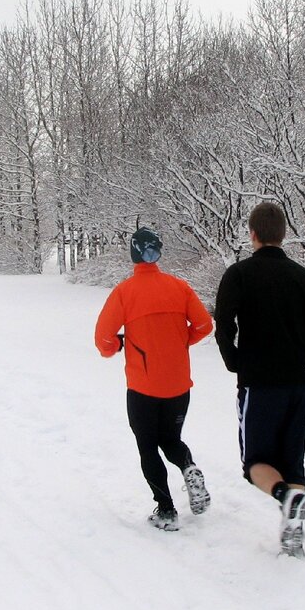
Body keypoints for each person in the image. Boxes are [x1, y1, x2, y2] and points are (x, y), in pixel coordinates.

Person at [214, 202, 305, 557]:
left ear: (252, 234)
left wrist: (236, 362)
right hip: (302, 382)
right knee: (292, 459)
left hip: (260, 381)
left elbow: (223, 326)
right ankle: (292, 530)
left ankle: (287, 498)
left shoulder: (238, 275)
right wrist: (302, 348)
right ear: (282, 235)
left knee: (255, 463)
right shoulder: (303, 276)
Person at [95, 226, 214, 531]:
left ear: (134, 254)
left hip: (143, 388)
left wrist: (120, 345)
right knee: (171, 440)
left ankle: (166, 510)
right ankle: (189, 467)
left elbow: (103, 341)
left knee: (148, 447)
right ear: (158, 252)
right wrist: (178, 341)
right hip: (178, 385)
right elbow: (204, 326)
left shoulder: (124, 292)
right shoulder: (179, 287)